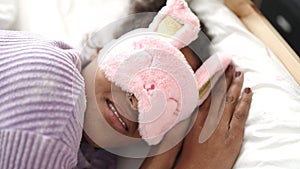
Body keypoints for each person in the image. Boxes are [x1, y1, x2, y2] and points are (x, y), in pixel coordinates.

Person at [0, 1, 252, 169]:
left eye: (168, 104)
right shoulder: (53, 75)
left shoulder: (97, 158)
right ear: (104, 48)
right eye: (142, 64)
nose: (140, 102)